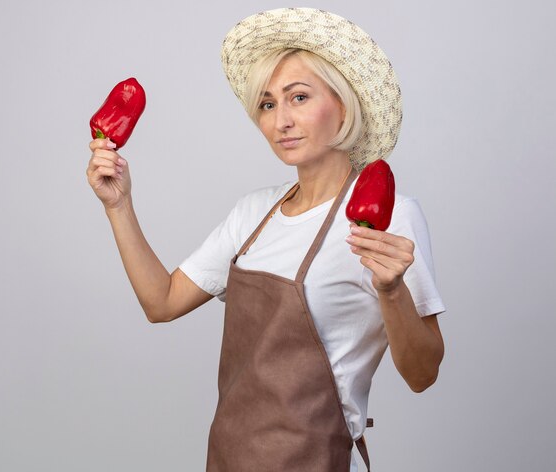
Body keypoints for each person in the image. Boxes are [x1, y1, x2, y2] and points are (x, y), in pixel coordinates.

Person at [86, 7, 445, 472]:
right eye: (268, 104)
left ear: (344, 103)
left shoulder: (389, 217)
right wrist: (118, 205)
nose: (282, 121)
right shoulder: (253, 213)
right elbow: (162, 302)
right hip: (229, 458)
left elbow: (422, 374)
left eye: (299, 97)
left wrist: (392, 290)